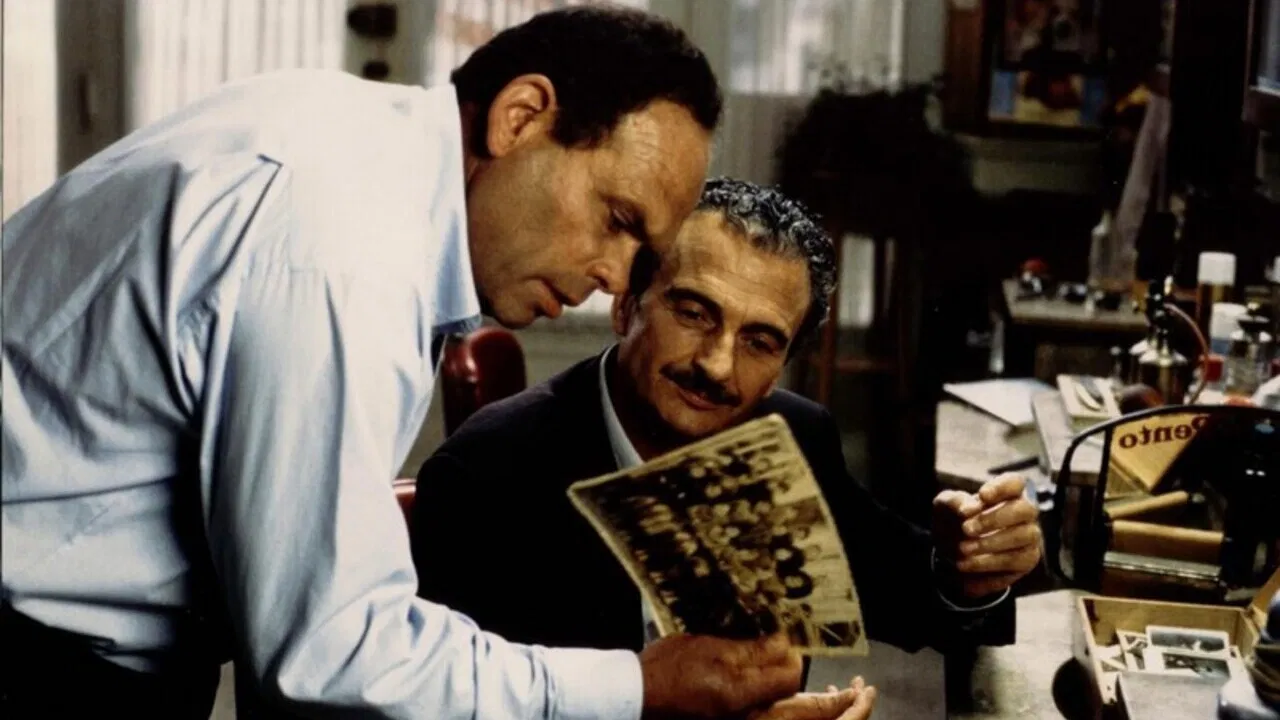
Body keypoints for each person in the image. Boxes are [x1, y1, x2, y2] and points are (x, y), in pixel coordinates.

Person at [0, 7, 864, 719]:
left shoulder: (358, 150)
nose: (613, 277)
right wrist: (643, 688)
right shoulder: (342, 253)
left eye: (643, 252)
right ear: (520, 117)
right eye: (616, 218)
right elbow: (329, 654)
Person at [412, 177, 1044, 657]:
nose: (716, 366)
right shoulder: (484, 477)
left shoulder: (791, 435)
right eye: (693, 313)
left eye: (759, 342)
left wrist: (970, 568)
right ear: (626, 306)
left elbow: (914, 596)